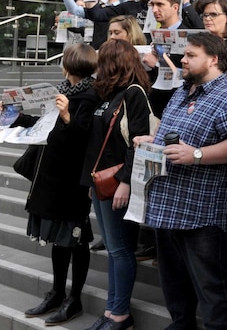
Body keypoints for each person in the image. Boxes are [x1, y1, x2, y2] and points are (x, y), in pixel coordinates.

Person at [134, 32, 227, 329]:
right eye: (185, 54)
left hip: (204, 215)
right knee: (175, 291)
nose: (183, 59)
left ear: (214, 59)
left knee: (213, 294)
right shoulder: (182, 91)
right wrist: (150, 140)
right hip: (168, 208)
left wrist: (196, 154)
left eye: (191, 55)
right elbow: (169, 135)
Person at [18, 44, 100, 325]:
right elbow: (44, 124)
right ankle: (56, 292)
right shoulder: (63, 90)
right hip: (52, 177)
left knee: (75, 240)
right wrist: (14, 116)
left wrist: (67, 116)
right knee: (57, 239)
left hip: (73, 181)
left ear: (69, 66)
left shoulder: (91, 95)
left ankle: (73, 298)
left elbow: (83, 139)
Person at [82, 39, 154, 330]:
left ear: (114, 62)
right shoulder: (106, 94)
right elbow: (98, 142)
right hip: (101, 182)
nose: (98, 66)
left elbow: (138, 142)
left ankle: (120, 313)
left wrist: (126, 182)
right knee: (113, 249)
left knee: (121, 249)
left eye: (103, 60)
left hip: (120, 183)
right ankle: (112, 311)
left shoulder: (133, 93)